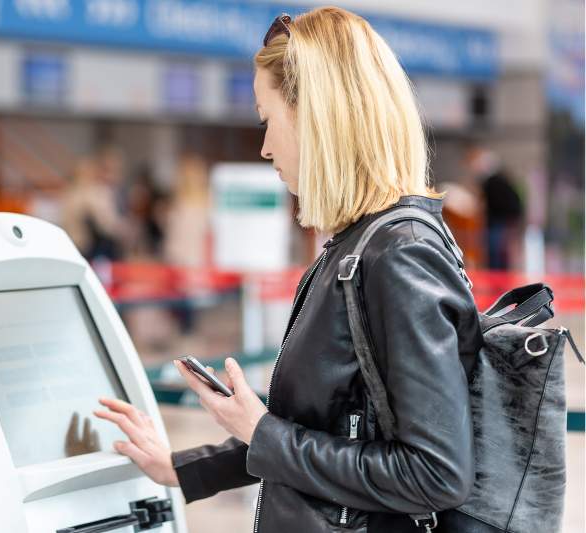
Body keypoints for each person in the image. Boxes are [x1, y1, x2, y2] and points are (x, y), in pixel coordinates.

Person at [94, 7, 481, 532]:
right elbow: (325, 430)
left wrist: (262, 433)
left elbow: (434, 474)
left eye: (267, 119)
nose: (265, 146)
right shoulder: (357, 246)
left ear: (318, 116)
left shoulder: (397, 253)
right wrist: (181, 468)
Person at [463, 143, 524, 270]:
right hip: (503, 218)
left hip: (499, 219)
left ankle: (496, 274)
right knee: (499, 250)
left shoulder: (491, 181)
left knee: (495, 250)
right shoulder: (498, 179)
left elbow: (486, 203)